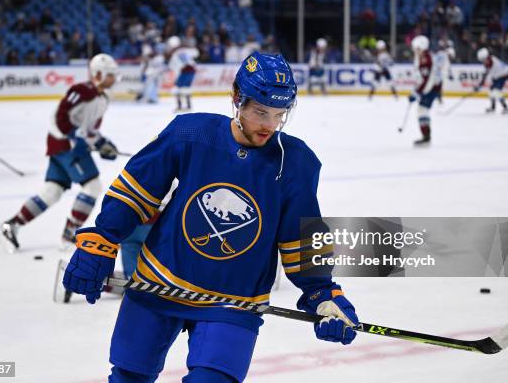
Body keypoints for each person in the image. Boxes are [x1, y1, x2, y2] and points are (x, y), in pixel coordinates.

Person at [62, 51, 359, 382]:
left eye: (279, 114)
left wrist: (322, 293)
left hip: (234, 303)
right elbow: (136, 190)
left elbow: (301, 240)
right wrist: (102, 240)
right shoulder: (191, 133)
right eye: (261, 112)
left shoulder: (295, 163)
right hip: (158, 282)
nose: (269, 125)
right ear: (237, 98)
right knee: (127, 378)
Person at [0, 54, 121, 252]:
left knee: (51, 192)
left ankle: (12, 225)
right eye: (111, 75)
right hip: (65, 145)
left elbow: (89, 131)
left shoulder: (103, 99)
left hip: (66, 146)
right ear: (99, 74)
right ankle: (70, 234)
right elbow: (60, 116)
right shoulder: (82, 91)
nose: (114, 79)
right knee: (92, 186)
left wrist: (102, 143)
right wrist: (73, 136)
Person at [409, 35, 442, 146]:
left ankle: (426, 136)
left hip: (432, 87)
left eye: (417, 49)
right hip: (431, 87)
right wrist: (416, 90)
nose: (415, 51)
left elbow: (428, 80)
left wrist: (417, 92)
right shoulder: (423, 57)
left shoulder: (426, 60)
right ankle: (426, 136)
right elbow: (420, 77)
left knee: (422, 109)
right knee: (422, 110)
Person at [167, 35, 199, 112]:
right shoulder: (186, 50)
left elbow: (171, 66)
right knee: (186, 88)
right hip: (192, 70)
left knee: (176, 89)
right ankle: (188, 106)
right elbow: (196, 53)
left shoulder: (174, 54)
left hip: (185, 71)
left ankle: (179, 106)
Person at [475, 48, 508, 114]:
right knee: (491, 91)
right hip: (497, 77)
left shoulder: (492, 62)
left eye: (483, 60)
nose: (483, 62)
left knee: (496, 92)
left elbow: (485, 74)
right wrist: (479, 85)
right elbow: (485, 74)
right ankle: (493, 108)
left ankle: (505, 108)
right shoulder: (489, 61)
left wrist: (480, 85)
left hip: (503, 76)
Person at [434, 39, 456, 106]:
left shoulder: (446, 57)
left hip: (440, 74)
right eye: (450, 56)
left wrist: (450, 74)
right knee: (437, 86)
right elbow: (436, 62)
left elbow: (448, 67)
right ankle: (438, 98)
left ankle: (439, 98)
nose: (450, 58)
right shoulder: (441, 54)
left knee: (439, 86)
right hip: (436, 73)